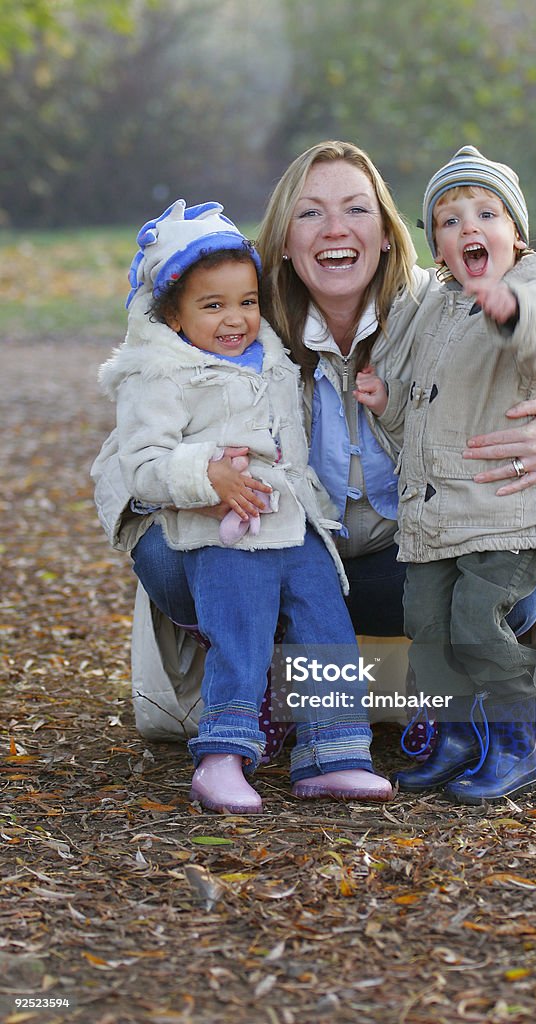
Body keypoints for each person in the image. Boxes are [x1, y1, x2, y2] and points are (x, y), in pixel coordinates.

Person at [91, 141, 536, 785]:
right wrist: (198, 477)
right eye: (311, 213)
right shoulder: (241, 324)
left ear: (387, 233)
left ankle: (399, 699)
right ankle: (284, 684)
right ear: (284, 241)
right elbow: (127, 454)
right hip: (266, 553)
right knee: (170, 557)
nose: (336, 229)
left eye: (356, 209)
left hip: (392, 562)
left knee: (488, 589)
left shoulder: (443, 306)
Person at [96, 198, 393, 813]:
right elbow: (143, 464)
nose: (235, 319)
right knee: (242, 633)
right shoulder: (162, 374)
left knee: (324, 624)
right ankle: (223, 754)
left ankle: (334, 754)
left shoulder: (273, 358)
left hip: (293, 521)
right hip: (222, 535)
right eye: (213, 306)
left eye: (247, 302)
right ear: (173, 315)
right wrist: (207, 476)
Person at [361, 145, 536, 803]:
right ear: (435, 245)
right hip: (438, 517)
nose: (468, 227)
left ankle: (513, 744)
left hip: (509, 507)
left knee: (476, 615)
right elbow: (421, 424)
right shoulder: (432, 307)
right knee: (427, 627)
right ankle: (456, 740)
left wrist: (511, 309)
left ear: (515, 234)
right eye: (447, 218)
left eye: (485, 212)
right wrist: (387, 408)